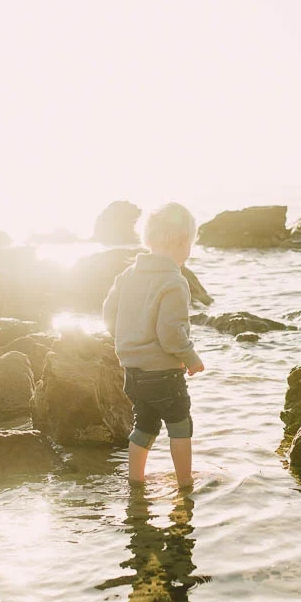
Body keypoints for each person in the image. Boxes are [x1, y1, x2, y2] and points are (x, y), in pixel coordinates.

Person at [102, 202, 204, 488]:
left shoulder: (127, 276)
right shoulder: (174, 281)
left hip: (132, 373)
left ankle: (136, 481)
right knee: (180, 426)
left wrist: (126, 341)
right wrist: (191, 357)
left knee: (144, 426)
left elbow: (109, 313)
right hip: (165, 374)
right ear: (184, 243)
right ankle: (185, 482)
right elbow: (170, 333)